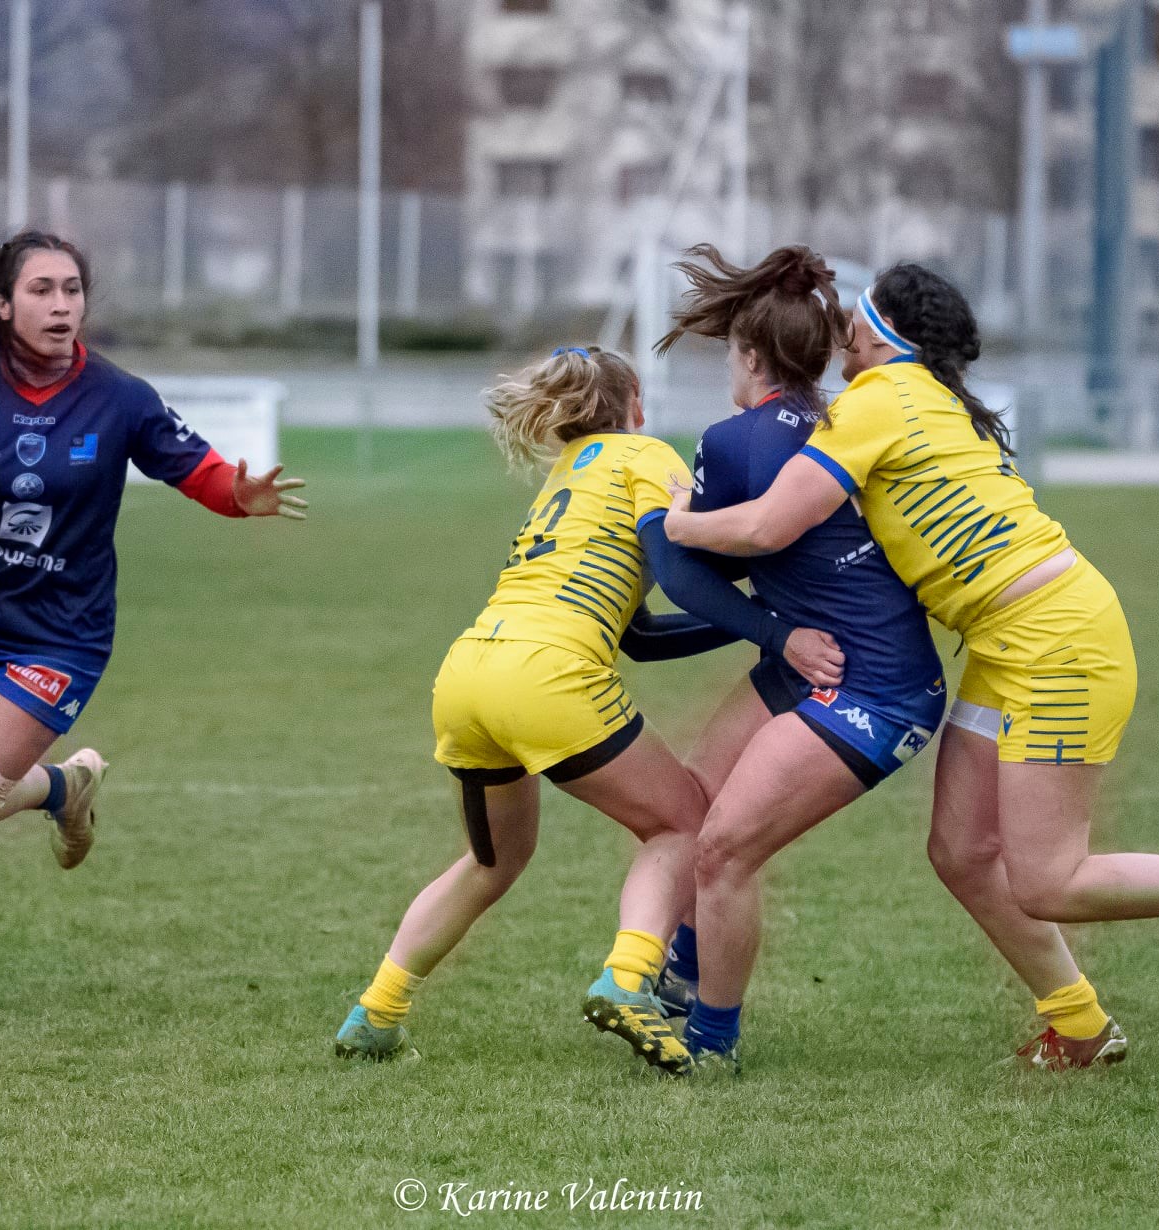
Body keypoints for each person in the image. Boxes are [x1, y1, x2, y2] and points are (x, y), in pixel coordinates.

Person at [664, 262, 1159, 1069]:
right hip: (1013, 642)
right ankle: (1080, 1025)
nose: (844, 335)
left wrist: (677, 524)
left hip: (1057, 645)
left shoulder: (878, 398)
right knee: (959, 851)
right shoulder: (921, 395)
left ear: (881, 334)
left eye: (855, 322)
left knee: (1048, 880)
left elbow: (767, 528)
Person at [331, 344, 842, 1075]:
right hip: (549, 675)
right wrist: (775, 629)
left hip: (469, 673)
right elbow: (679, 575)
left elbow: (641, 637)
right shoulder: (646, 456)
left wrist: (758, 625)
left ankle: (376, 1013)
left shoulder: (567, 473)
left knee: (492, 862)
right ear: (634, 402)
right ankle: (629, 980)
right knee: (683, 824)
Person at [0, 230, 308, 1015]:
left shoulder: (119, 397)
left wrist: (240, 496)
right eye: (41, 290)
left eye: (71, 289)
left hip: (61, 635)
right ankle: (62, 788)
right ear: (4, 305)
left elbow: (200, 472)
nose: (61, 304)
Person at [633, 246, 949, 1074]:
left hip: (871, 686)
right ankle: (683, 976)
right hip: (834, 654)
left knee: (723, 848)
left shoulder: (734, 441)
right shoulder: (840, 425)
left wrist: (652, 521)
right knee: (697, 804)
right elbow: (765, 561)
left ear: (749, 357)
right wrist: (778, 633)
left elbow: (686, 574)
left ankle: (711, 1042)